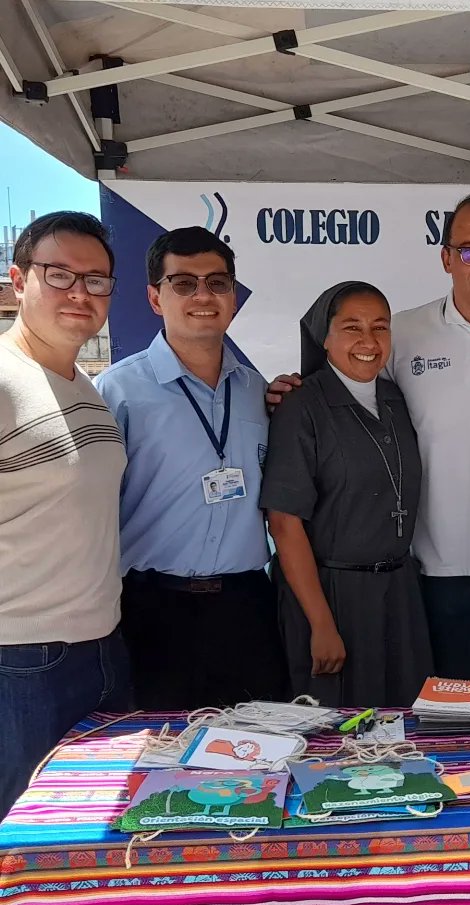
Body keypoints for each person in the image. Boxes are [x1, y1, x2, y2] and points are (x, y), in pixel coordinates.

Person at [269, 193, 470, 682]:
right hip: (433, 576)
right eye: (469, 250)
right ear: (446, 258)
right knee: (447, 725)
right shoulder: (401, 333)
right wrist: (291, 392)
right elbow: (343, 398)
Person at [95, 227, 285, 709]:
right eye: (184, 284)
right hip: (154, 607)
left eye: (217, 282)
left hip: (246, 606)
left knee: (257, 754)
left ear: (234, 297)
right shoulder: (118, 391)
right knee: (159, 756)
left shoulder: (254, 388)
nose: (203, 295)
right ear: (155, 298)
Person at [0, 211, 129, 818]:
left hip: (101, 645)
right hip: (21, 658)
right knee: (22, 841)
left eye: (97, 279)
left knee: (81, 837)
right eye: (60, 275)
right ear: (18, 280)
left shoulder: (84, 384)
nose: (80, 292)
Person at [260, 282, 432, 706]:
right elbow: (284, 523)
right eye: (352, 327)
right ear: (325, 336)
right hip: (331, 595)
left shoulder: (397, 399)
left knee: (403, 727)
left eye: (380, 327)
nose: (369, 342)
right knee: (335, 737)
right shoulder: (302, 405)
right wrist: (321, 624)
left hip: (398, 594)